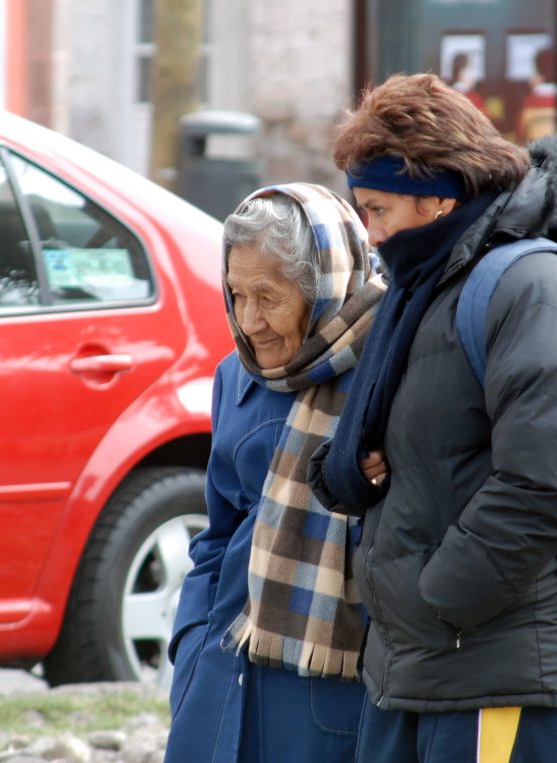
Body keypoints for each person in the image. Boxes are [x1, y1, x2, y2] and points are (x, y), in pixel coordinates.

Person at [310, 72, 557, 762]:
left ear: (438, 198)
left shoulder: (532, 289)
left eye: (379, 209)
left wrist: (438, 596)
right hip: (417, 664)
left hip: (493, 665)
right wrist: (352, 464)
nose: (370, 232)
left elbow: (552, 481)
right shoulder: (424, 286)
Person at [164, 182, 386, 762]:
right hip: (219, 674)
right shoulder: (234, 378)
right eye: (237, 294)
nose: (250, 320)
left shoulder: (383, 370)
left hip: (326, 687)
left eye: (269, 296)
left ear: (324, 290)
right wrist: (191, 643)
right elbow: (216, 535)